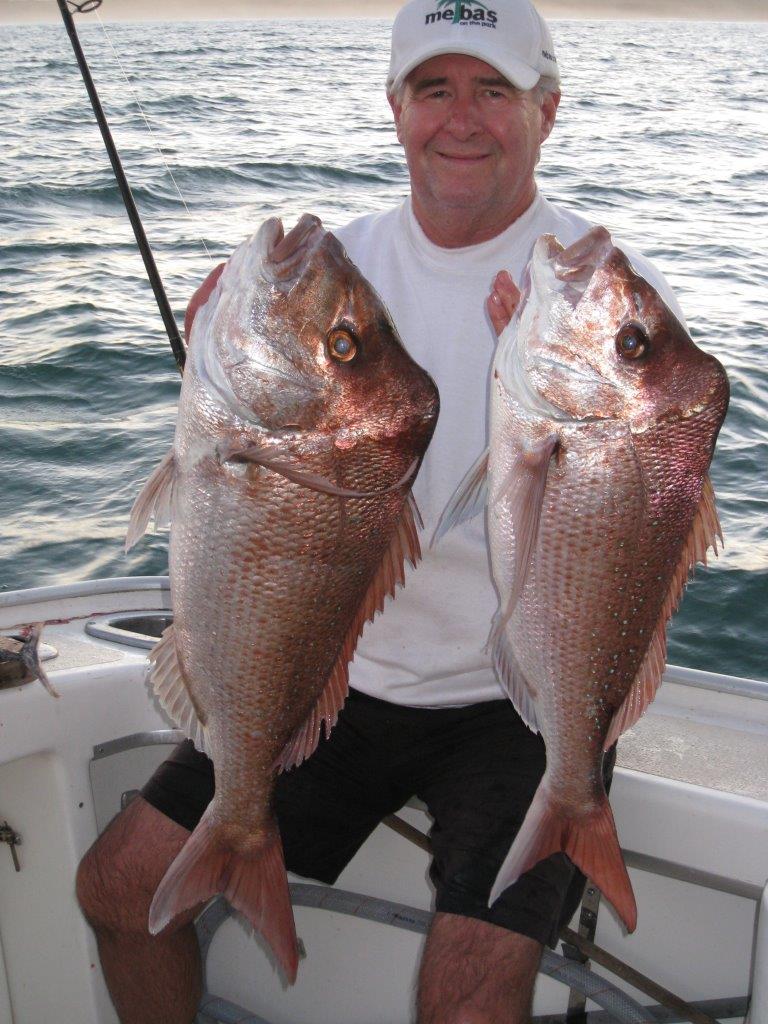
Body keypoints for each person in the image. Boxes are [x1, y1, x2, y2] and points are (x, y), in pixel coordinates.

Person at [76, 2, 684, 1022]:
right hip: (330, 669)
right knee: (119, 887)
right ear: (395, 109)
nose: (462, 118)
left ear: (548, 111)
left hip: (520, 701)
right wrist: (212, 355)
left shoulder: (604, 302)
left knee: (468, 998)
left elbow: (653, 518)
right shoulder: (335, 276)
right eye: (434, 88)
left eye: (493, 90)